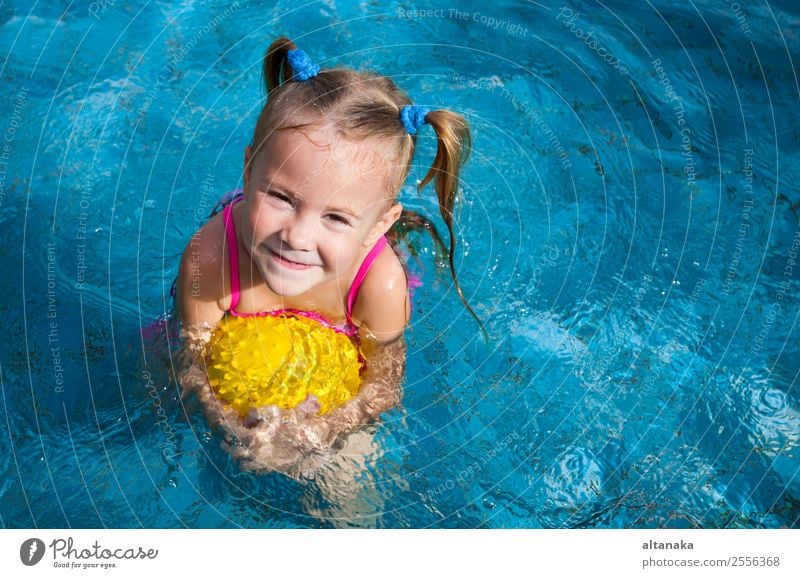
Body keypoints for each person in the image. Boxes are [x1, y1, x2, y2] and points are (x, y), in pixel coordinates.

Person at [175, 36, 475, 478]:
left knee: (348, 481)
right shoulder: (212, 257)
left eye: (335, 217)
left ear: (377, 226)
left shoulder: (380, 284)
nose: (296, 236)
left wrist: (319, 432)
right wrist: (232, 424)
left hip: (334, 374)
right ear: (247, 172)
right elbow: (194, 360)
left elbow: (382, 389)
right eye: (280, 197)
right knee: (160, 379)